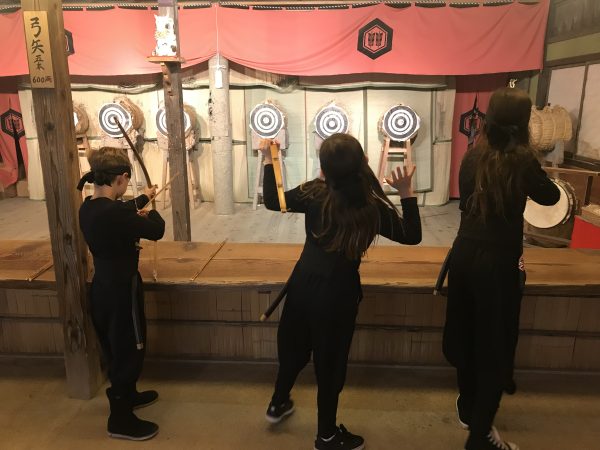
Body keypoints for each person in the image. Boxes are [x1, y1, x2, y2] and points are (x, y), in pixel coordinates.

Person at [259, 133, 422, 450]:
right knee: (330, 366)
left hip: (303, 286)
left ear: (323, 169)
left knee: (294, 348)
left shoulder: (313, 192)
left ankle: (278, 402)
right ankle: (327, 435)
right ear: (362, 163)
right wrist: (406, 193)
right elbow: (412, 234)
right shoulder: (371, 207)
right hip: (337, 296)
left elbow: (272, 201)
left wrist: (269, 159)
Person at [442, 87, 560, 450]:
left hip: (464, 254)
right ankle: (479, 436)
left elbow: (466, 200)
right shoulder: (521, 161)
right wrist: (532, 160)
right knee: (495, 343)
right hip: (498, 262)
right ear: (523, 124)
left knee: (465, 332)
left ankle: (468, 408)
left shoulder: (472, 156)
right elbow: (551, 196)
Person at [78, 147, 165, 441]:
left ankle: (128, 396)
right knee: (129, 348)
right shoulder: (115, 214)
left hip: (103, 287)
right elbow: (157, 230)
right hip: (121, 291)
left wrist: (142, 198)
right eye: (127, 181)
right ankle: (120, 420)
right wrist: (152, 210)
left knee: (117, 345)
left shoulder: (89, 207)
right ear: (122, 178)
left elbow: (121, 212)